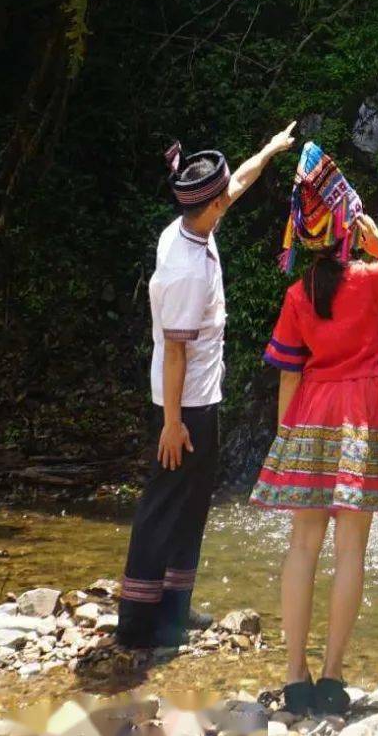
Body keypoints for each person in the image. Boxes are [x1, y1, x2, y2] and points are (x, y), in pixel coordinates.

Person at [250, 142, 378, 716]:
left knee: (302, 546)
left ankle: (292, 674)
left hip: (311, 413)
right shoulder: (376, 278)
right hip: (364, 416)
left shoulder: (299, 295)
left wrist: (287, 443)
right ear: (350, 229)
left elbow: (286, 369)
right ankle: (331, 676)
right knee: (351, 549)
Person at [115, 122, 297, 649]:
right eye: (223, 199)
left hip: (199, 396)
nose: (229, 200)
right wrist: (171, 424)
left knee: (192, 501)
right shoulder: (186, 269)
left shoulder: (189, 227)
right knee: (162, 504)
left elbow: (234, 182)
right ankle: (136, 624)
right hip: (184, 403)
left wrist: (268, 149)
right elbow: (174, 352)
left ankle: (173, 609)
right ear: (211, 206)